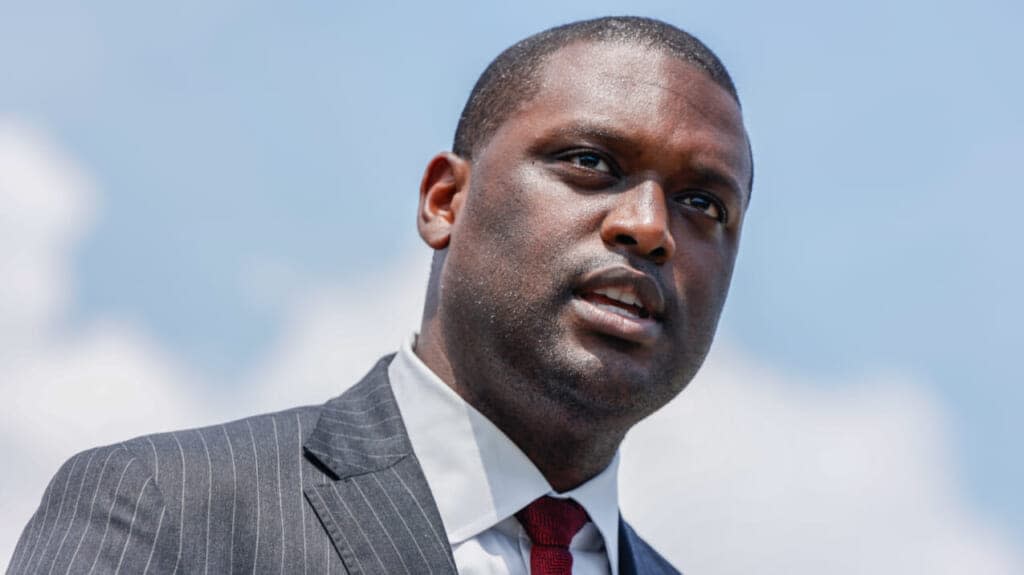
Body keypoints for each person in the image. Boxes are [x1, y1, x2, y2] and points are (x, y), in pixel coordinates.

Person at [8, 15, 752, 575]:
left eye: (705, 205)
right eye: (591, 161)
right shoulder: (167, 511)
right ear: (444, 201)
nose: (650, 227)